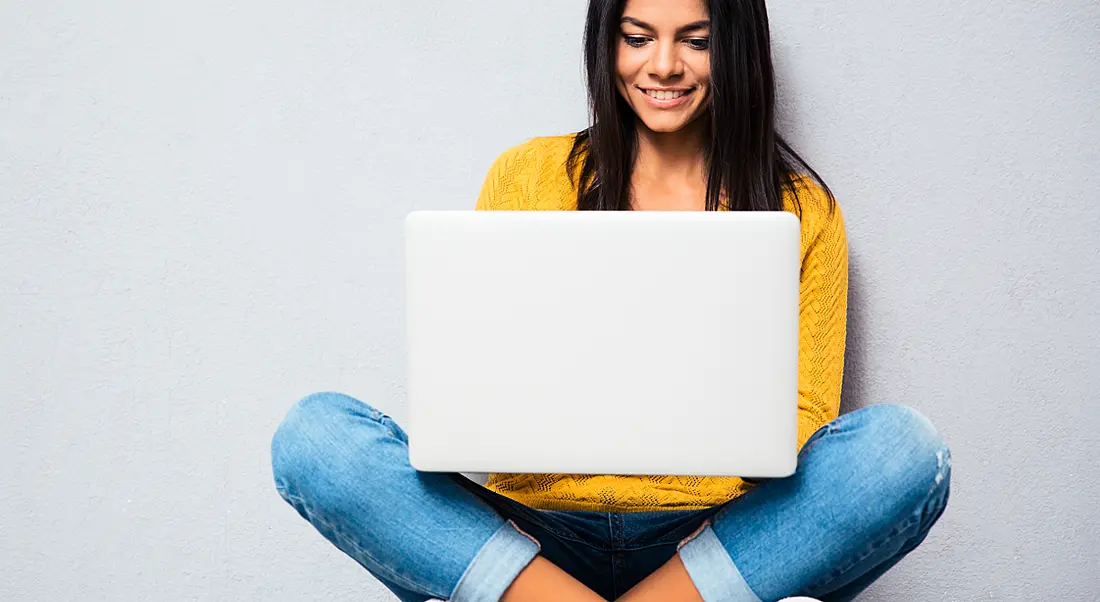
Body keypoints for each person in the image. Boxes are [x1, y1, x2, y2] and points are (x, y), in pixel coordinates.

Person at [269, 0, 952, 600]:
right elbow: (470, 387)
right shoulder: (528, 175)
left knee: (903, 453)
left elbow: (802, 426)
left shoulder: (803, 211)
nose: (663, 65)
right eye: (637, 37)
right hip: (531, 539)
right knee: (317, 438)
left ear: (735, 48)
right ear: (608, 43)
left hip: (719, 539)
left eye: (696, 39)